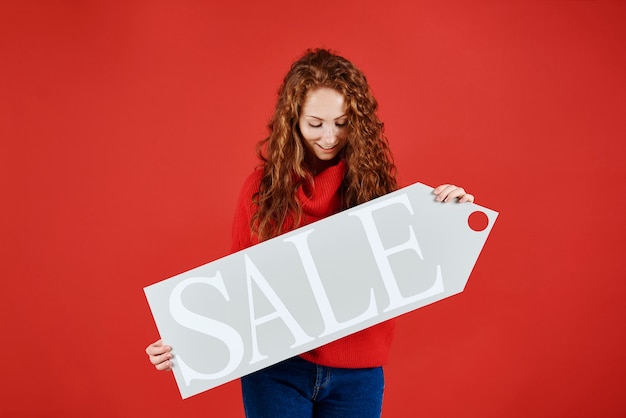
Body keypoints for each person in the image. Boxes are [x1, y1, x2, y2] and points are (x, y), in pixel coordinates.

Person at [146, 48, 474, 417]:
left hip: (358, 374)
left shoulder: (375, 190)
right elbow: (237, 287)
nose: (330, 136)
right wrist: (185, 341)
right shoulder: (262, 190)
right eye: (315, 123)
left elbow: (416, 263)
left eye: (342, 122)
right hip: (277, 370)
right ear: (293, 120)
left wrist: (448, 213)